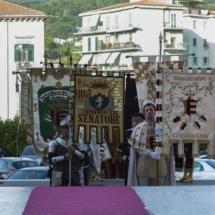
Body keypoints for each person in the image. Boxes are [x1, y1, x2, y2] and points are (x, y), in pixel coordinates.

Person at [127, 102, 175, 186]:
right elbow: (137, 147)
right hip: (144, 163)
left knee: (161, 191)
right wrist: (150, 153)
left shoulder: (163, 127)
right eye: (147, 110)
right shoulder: (138, 128)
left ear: (155, 111)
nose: (149, 111)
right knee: (143, 191)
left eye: (151, 109)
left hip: (159, 162)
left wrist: (161, 136)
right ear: (144, 113)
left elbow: (169, 145)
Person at [48, 117, 86, 186]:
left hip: (75, 171)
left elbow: (83, 157)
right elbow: (51, 159)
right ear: (61, 129)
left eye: (67, 128)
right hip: (59, 172)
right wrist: (64, 157)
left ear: (71, 129)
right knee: (59, 194)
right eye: (63, 128)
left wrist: (74, 151)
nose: (65, 130)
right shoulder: (54, 142)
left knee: (77, 193)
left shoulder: (77, 141)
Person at [118, 112, 145, 185]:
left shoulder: (146, 132)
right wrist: (131, 152)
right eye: (134, 121)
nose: (135, 123)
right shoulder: (126, 133)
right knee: (128, 178)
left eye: (137, 121)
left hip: (143, 159)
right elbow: (120, 148)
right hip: (130, 159)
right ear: (131, 123)